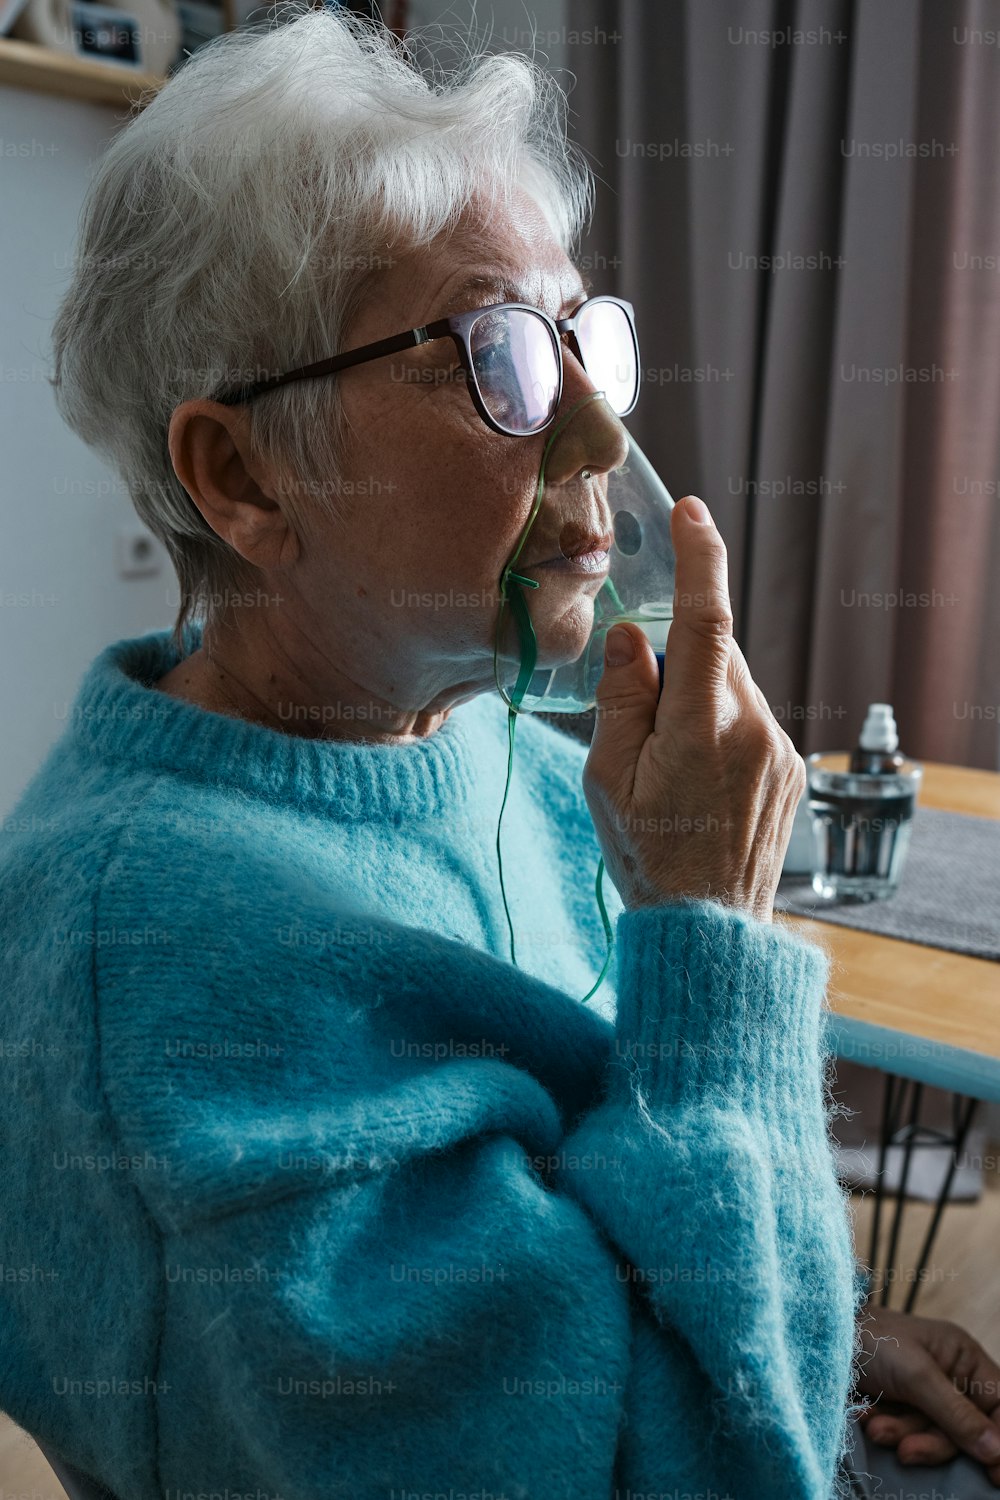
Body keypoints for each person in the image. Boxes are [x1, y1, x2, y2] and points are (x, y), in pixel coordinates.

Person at [1, 6, 998, 1496]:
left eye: (585, 337)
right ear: (244, 476)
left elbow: (603, 1219)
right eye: (496, 358)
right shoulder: (155, 972)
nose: (601, 440)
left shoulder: (496, 744)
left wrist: (822, 1331)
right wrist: (710, 936)